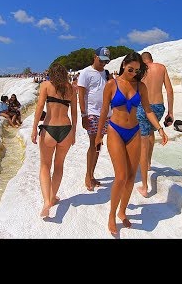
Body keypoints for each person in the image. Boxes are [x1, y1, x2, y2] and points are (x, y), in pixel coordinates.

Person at [95, 52, 168, 235]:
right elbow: (104, 110)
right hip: (115, 131)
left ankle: (122, 211)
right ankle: (112, 215)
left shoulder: (140, 86)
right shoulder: (112, 84)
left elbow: (149, 110)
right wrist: (98, 135)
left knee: (130, 176)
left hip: (134, 131)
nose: (133, 73)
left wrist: (159, 128)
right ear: (123, 65)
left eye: (136, 70)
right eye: (130, 69)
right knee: (120, 176)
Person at [31, 63, 77, 218]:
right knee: (58, 166)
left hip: (49, 129)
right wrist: (74, 132)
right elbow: (74, 113)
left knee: (45, 165)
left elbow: (39, 108)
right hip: (66, 129)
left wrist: (34, 128)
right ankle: (52, 197)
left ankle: (46, 203)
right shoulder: (71, 89)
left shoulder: (45, 85)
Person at [136, 51, 174, 198]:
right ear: (152, 59)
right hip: (158, 107)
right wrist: (170, 112)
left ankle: (145, 186)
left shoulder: (140, 70)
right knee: (151, 132)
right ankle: (149, 161)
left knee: (143, 143)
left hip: (142, 107)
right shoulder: (161, 67)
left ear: (142, 60)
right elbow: (169, 90)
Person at [77, 46, 112, 191]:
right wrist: (83, 115)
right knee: (93, 143)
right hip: (92, 113)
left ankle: (92, 175)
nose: (103, 64)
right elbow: (81, 95)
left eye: (106, 61)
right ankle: (87, 175)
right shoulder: (86, 73)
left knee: (98, 145)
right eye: (101, 60)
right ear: (94, 57)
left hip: (105, 115)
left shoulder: (107, 73)